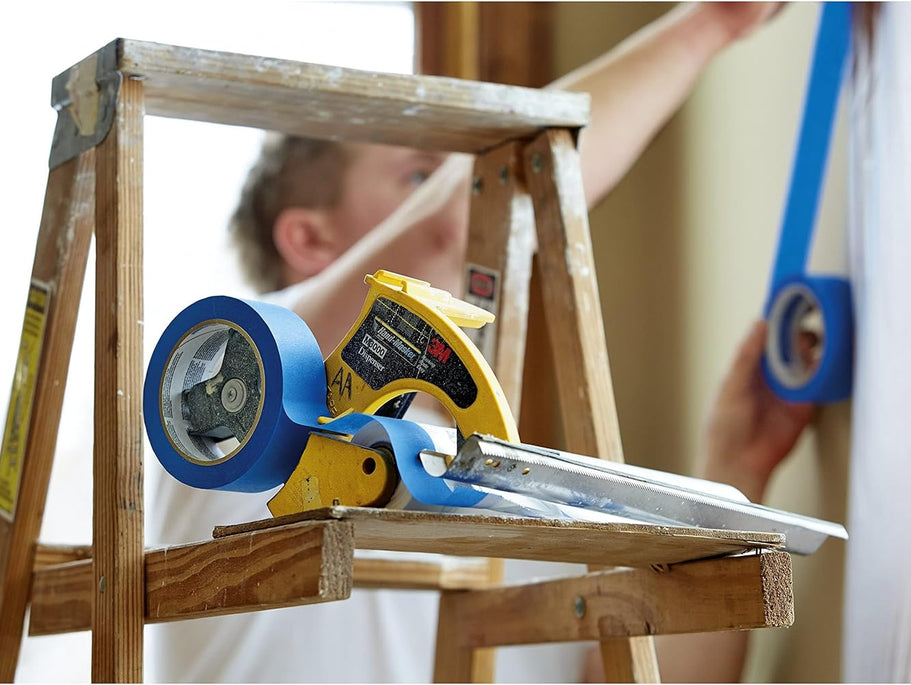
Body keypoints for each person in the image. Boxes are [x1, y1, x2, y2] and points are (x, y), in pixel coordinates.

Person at [147, 3, 804, 682]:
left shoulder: (499, 479)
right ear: (309, 239)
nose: (458, 192)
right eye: (418, 178)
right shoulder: (228, 408)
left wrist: (738, 466)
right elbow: (457, 223)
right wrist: (716, 20)